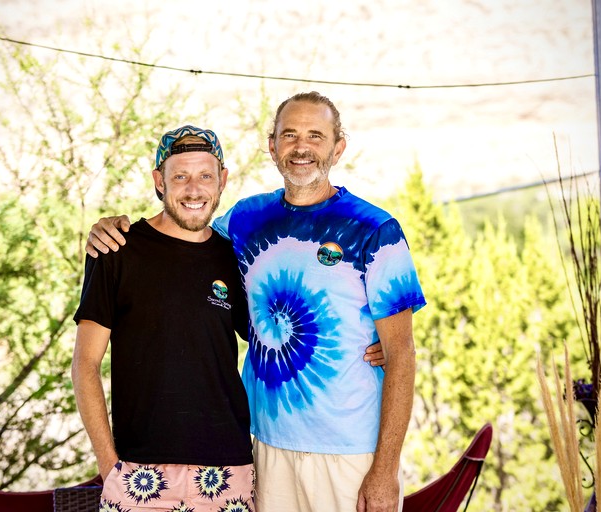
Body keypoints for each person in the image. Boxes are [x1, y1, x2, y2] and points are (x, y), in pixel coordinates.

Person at [86, 92, 426, 512]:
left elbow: (402, 352)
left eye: (316, 136)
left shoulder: (375, 229)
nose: (301, 147)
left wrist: (386, 469)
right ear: (273, 146)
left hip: (350, 450)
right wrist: (111, 230)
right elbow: (184, 233)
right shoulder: (245, 221)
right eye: (290, 135)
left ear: (338, 148)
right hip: (265, 446)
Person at [72, 125, 256, 512]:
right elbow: (85, 364)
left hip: (228, 470)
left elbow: (276, 335)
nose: (194, 190)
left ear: (222, 180)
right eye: (181, 177)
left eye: (205, 176)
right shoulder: (116, 250)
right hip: (138, 474)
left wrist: (368, 341)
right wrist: (109, 466)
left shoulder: (235, 257)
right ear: (160, 181)